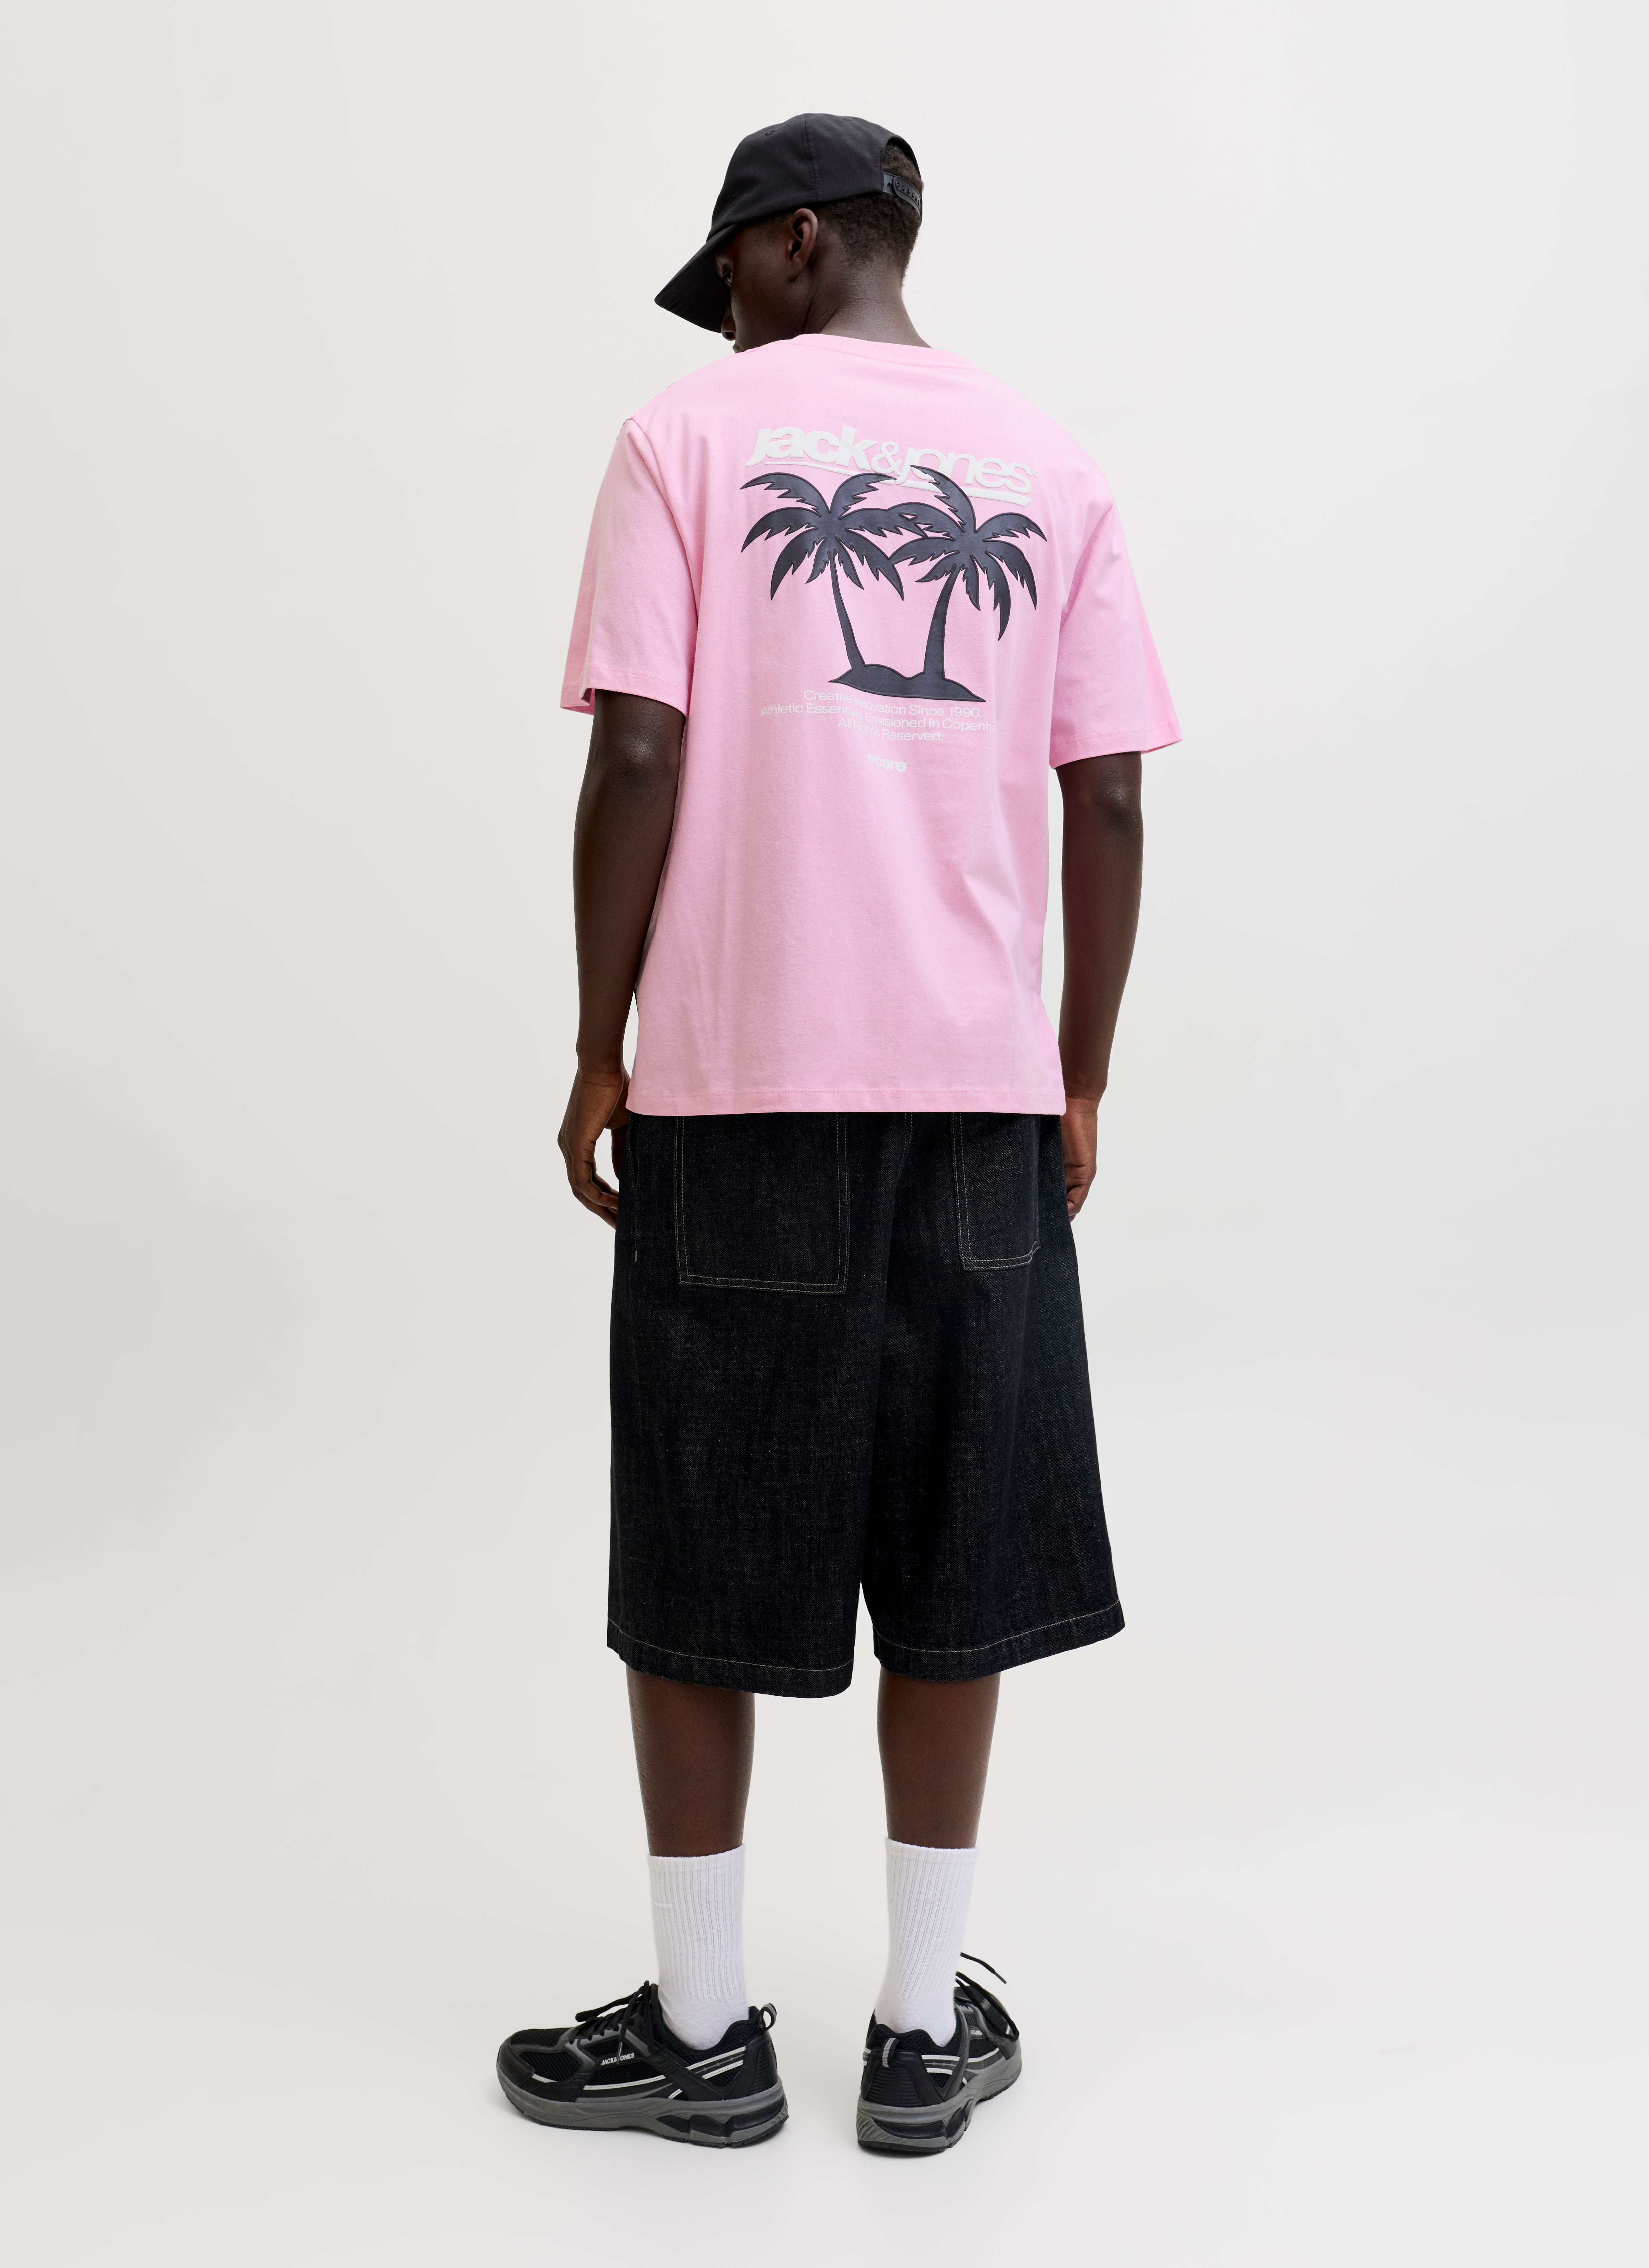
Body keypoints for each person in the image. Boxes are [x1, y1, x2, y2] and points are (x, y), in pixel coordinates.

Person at [496, 113, 1179, 2155]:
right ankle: (916, 2025)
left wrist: (599, 1043)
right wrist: (1078, 1069)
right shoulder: (1049, 463)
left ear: (793, 242)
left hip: (738, 1091)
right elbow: (1110, 796)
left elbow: (637, 749)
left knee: (699, 1543)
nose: (718, 323)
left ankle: (705, 2035)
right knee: (957, 1548)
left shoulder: (681, 444)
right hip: (976, 1107)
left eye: (725, 279)